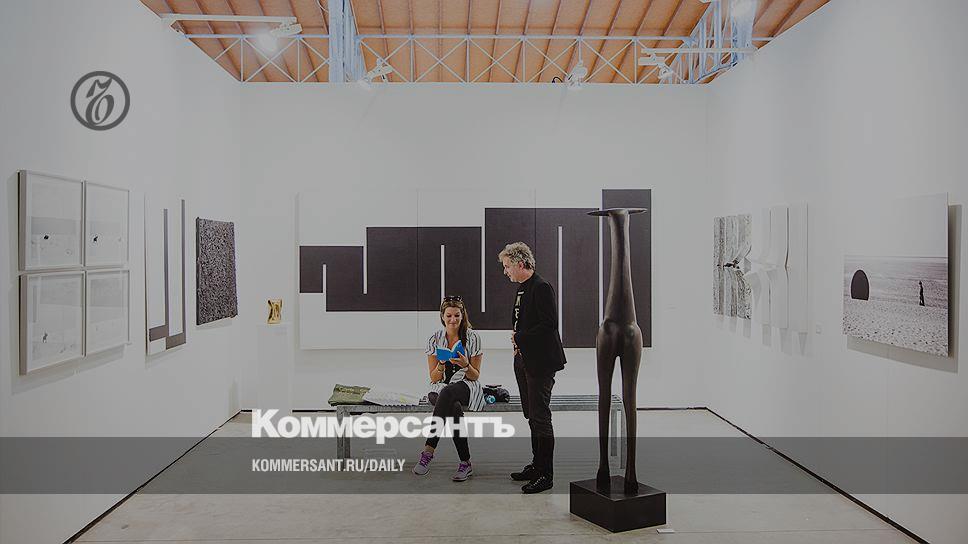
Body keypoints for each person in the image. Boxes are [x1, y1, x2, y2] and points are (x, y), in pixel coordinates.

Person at [499, 242, 566, 494]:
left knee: (540, 417)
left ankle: (546, 475)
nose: (505, 271)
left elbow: (550, 324)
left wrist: (520, 338)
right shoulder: (522, 289)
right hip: (524, 360)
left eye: (507, 266)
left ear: (520, 263)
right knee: (531, 416)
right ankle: (537, 465)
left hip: (541, 362)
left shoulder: (541, 287)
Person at [411, 296, 484, 481]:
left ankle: (428, 452)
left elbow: (475, 376)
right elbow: (434, 378)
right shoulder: (434, 339)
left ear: (462, 315)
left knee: (448, 392)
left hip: (465, 386)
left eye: (457, 315)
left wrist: (466, 364)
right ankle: (465, 463)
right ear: (442, 317)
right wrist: (442, 363)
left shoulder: (473, 337)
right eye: (449, 316)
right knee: (454, 407)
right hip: (440, 387)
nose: (453, 320)